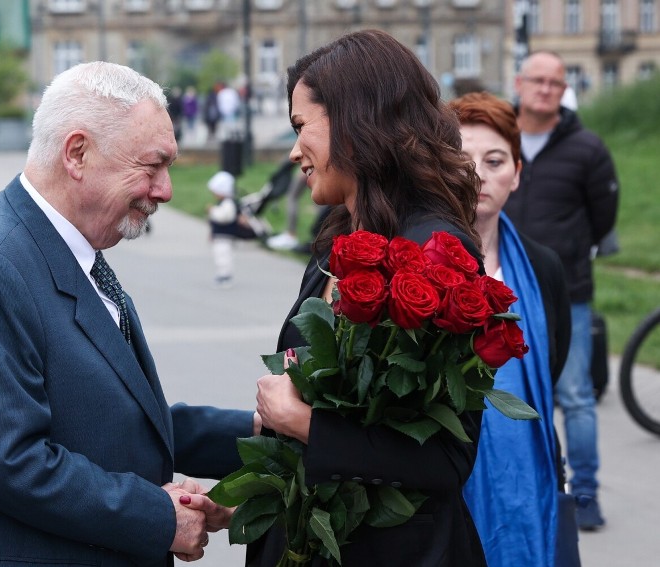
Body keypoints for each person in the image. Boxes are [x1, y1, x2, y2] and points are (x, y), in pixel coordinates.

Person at [0, 61, 258, 566]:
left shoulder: (68, 248)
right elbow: (8, 463)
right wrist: (158, 518)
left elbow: (118, 419)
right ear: (77, 153)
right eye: (151, 165)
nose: (164, 190)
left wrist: (261, 432)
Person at [249, 29, 487, 566]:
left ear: (358, 120)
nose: (293, 151)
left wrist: (304, 423)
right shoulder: (336, 242)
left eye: (301, 127)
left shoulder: (435, 252)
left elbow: (448, 459)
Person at [450, 91, 578, 566]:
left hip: (530, 474)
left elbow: (552, 362)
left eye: (495, 159)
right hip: (445, 479)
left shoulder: (543, 268)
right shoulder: (418, 264)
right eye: (461, 159)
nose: (479, 174)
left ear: (517, 173)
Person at [504, 50, 619, 531]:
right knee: (513, 394)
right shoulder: (499, 137)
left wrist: (570, 251)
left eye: (556, 82)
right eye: (538, 80)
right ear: (519, 83)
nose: (546, 89)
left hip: (567, 288)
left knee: (574, 394)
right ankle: (526, 485)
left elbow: (603, 218)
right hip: (504, 291)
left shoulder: (587, 148)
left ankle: (585, 491)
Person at [206, 170, 239, 288]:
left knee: (224, 255)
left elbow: (225, 217)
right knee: (219, 255)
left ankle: (225, 275)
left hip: (225, 235)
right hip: (219, 235)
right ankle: (221, 273)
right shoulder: (222, 203)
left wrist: (213, 211)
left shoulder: (228, 203)